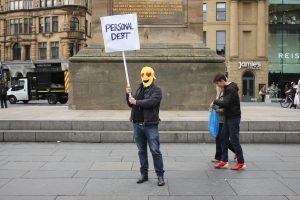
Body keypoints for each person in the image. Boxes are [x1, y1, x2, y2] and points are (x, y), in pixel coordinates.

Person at [126, 66, 165, 186]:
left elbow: (151, 102)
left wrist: (136, 102)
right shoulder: (138, 88)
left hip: (150, 126)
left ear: (152, 76)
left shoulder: (156, 90)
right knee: (141, 151)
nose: (145, 77)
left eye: (147, 74)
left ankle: (160, 176)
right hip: (137, 124)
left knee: (155, 151)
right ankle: (144, 174)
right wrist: (128, 94)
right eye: (143, 74)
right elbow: (131, 104)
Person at [210, 73, 246, 170]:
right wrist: (215, 106)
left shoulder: (231, 89)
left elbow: (225, 103)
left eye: (218, 83)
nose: (218, 86)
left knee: (234, 140)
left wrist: (214, 102)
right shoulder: (226, 88)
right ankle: (224, 161)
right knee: (223, 137)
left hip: (234, 117)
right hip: (228, 116)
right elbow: (225, 105)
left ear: (222, 81)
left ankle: (241, 162)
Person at [212, 86, 236, 163]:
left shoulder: (225, 95)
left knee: (221, 138)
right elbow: (218, 106)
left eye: (217, 86)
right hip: (220, 120)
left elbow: (224, 108)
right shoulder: (219, 95)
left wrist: (215, 108)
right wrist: (214, 107)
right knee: (219, 138)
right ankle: (218, 156)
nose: (216, 87)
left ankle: (235, 151)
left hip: (224, 120)